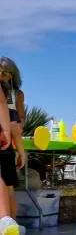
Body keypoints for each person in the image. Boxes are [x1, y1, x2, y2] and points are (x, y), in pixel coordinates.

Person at [0, 57, 26, 225]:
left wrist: (18, 126)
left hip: (8, 140)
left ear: (12, 75)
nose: (1, 75)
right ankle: (11, 225)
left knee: (8, 188)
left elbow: (19, 120)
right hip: (8, 140)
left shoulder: (17, 94)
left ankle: (10, 224)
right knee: (8, 188)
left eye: (5, 73)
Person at [0, 88, 20, 235]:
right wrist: (22, 153)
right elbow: (16, 130)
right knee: (10, 191)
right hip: (7, 153)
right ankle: (7, 221)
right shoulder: (11, 112)